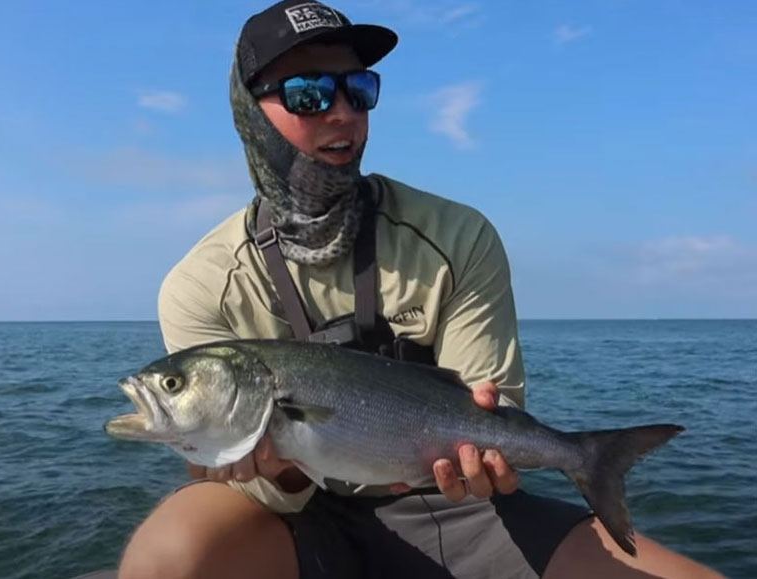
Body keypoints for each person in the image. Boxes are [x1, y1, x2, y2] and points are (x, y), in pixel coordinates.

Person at [118, 2, 722, 578]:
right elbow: (244, 471)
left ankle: (592, 459)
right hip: (290, 519)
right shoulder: (202, 284)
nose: (342, 113)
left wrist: (488, 456)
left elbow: (490, 407)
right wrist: (273, 464)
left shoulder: (456, 235)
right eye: (308, 94)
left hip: (457, 508)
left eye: (359, 90)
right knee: (167, 556)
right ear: (249, 113)